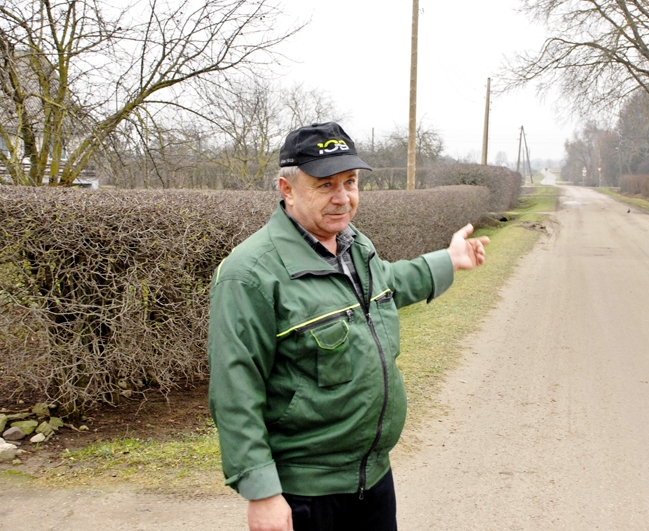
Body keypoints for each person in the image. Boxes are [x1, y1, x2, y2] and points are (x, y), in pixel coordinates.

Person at [207, 122, 489, 531]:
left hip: (373, 478)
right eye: (325, 185)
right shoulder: (249, 275)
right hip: (307, 494)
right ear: (287, 189)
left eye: (351, 182)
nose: (343, 198)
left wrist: (449, 260)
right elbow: (235, 388)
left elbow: (387, 285)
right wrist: (263, 493)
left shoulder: (353, 245)